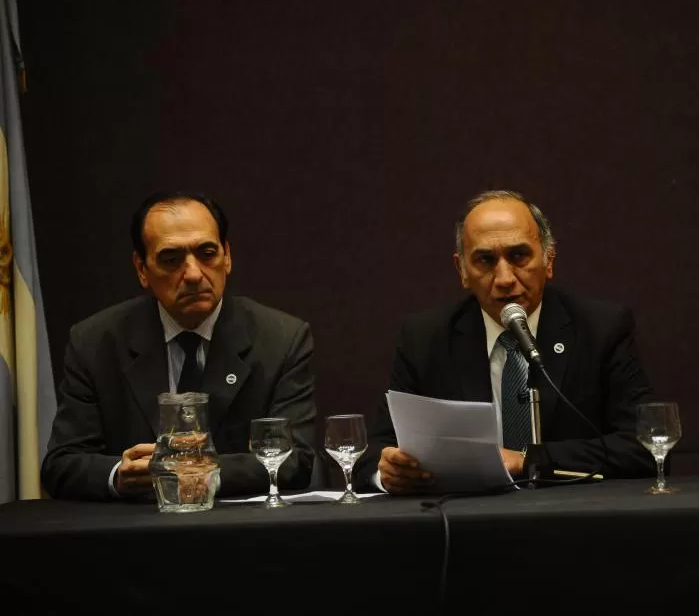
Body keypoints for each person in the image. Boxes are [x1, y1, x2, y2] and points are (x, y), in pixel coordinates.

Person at [356, 190, 655, 494]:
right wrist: (387, 472)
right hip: (467, 524)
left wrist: (527, 460)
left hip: (574, 518)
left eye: (518, 256)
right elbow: (370, 455)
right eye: (485, 260)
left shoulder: (601, 328)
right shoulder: (425, 337)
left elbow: (645, 446)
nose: (504, 278)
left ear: (548, 260)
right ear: (461, 270)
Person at [42, 192, 316, 500]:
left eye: (207, 253)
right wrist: (119, 475)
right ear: (141, 269)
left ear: (227, 257)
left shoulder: (280, 338)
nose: (194, 274)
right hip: (134, 535)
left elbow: (295, 460)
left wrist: (198, 474)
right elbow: (61, 464)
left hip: (240, 534)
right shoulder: (95, 342)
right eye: (171, 259)